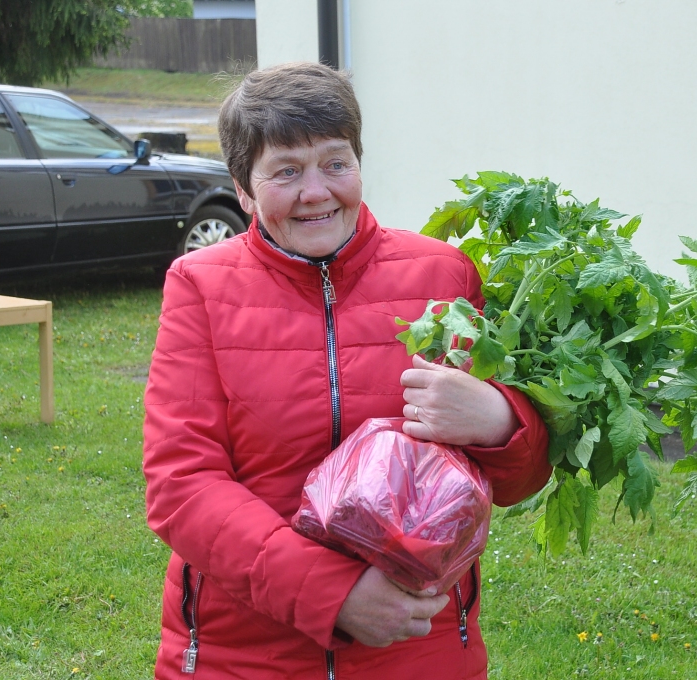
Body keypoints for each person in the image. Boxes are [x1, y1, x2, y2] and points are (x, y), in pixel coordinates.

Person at [142, 61, 551, 679]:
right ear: (244, 188)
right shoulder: (199, 285)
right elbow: (182, 485)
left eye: (336, 163)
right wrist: (334, 594)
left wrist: (500, 422)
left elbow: (515, 481)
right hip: (247, 653)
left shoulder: (446, 277)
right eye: (286, 171)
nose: (317, 191)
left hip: (418, 648)